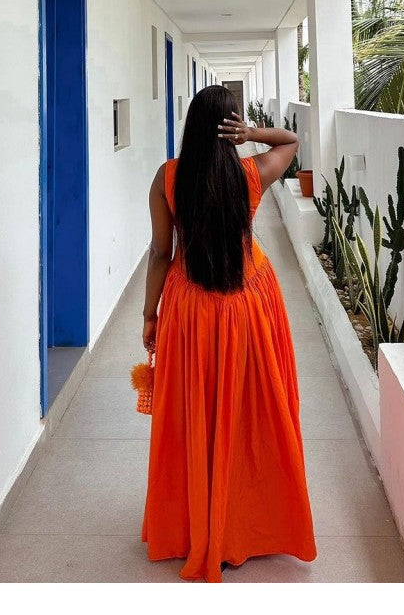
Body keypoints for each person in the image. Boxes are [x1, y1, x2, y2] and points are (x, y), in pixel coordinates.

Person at [140, 84, 317, 582]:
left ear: (192, 126)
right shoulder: (250, 174)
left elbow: (160, 253)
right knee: (249, 413)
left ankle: (201, 520)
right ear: (231, 128)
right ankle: (245, 520)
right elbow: (292, 142)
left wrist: (150, 314)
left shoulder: (168, 177)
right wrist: (253, 133)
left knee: (197, 413)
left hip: (191, 310)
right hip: (247, 305)